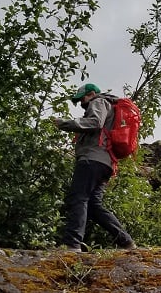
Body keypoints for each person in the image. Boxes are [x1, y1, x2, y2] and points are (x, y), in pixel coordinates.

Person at [53, 83, 135, 252]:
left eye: (82, 99)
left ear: (91, 94)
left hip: (92, 159)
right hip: (106, 163)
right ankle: (126, 242)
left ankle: (72, 244)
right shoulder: (110, 105)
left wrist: (65, 123)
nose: (81, 103)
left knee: (78, 197)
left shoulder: (99, 102)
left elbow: (95, 122)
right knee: (93, 205)